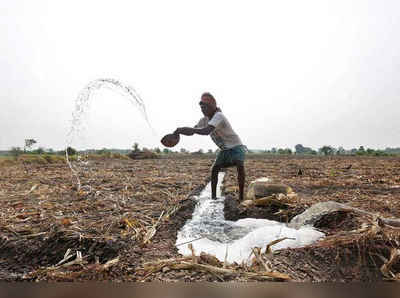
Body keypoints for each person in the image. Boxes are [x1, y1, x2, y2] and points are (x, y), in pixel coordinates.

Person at [174, 92, 246, 201]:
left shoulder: (218, 116)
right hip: (225, 150)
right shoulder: (204, 120)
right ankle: (213, 197)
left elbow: (206, 131)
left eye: (205, 107)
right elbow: (192, 131)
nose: (203, 110)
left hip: (236, 147)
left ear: (212, 107)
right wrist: (179, 131)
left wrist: (188, 130)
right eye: (201, 108)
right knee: (214, 169)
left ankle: (241, 197)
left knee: (239, 166)